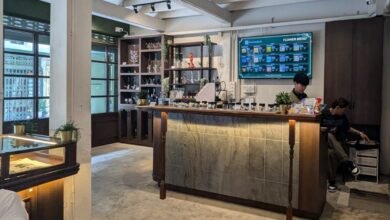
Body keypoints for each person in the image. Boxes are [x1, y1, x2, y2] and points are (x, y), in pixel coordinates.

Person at [321, 97, 370, 192]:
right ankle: (348, 162)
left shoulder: (342, 117)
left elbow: (348, 128)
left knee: (330, 153)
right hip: (325, 142)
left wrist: (360, 133)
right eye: (343, 110)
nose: (344, 112)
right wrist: (321, 130)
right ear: (338, 107)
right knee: (329, 134)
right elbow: (316, 128)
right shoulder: (324, 114)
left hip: (338, 144)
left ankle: (331, 183)